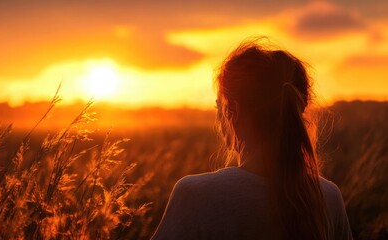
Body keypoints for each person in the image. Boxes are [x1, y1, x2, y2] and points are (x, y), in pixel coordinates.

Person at [151, 40, 353, 240]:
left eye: (218, 107)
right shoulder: (328, 198)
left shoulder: (195, 196)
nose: (218, 117)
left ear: (234, 112)